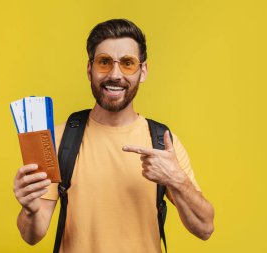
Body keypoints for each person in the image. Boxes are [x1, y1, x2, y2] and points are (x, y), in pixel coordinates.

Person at [13, 19, 214, 253]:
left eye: (128, 63)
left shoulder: (162, 142)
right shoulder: (59, 138)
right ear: (90, 69)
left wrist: (176, 180)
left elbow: (205, 228)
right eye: (104, 62)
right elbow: (32, 235)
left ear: (143, 70)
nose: (115, 74)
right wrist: (29, 209)